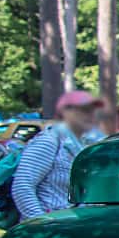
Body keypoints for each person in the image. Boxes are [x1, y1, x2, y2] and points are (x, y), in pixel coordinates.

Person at [12, 91, 102, 219]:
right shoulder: (49, 141)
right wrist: (42, 223)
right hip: (50, 225)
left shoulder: (83, 144)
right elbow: (22, 186)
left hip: (74, 223)